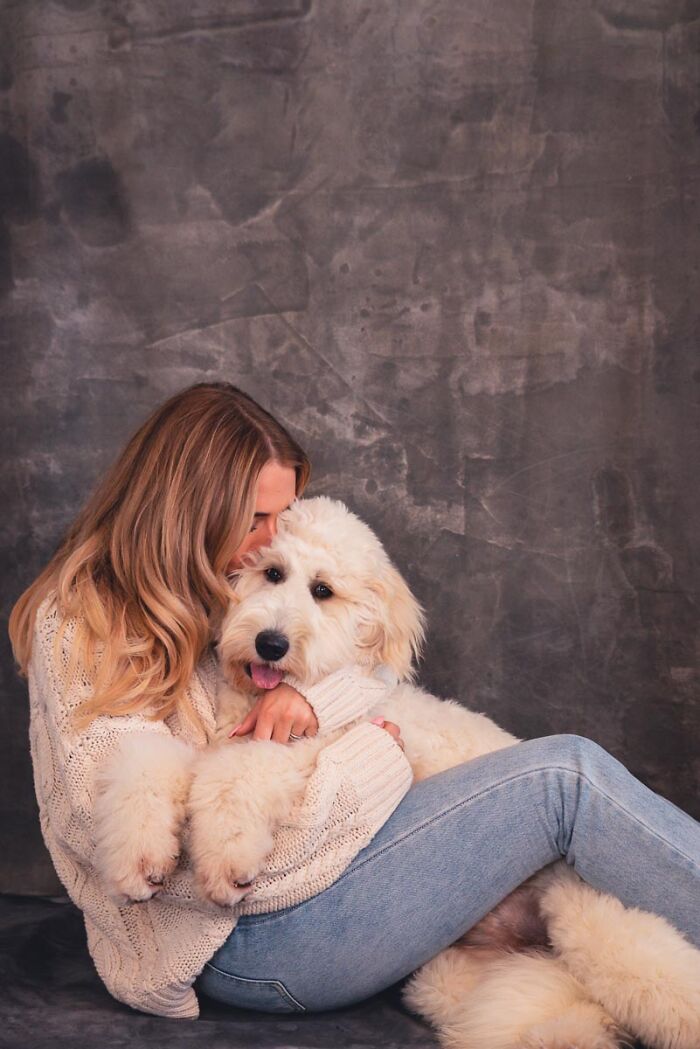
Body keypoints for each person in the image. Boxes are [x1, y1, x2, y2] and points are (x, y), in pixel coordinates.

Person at [9, 382, 700, 1021]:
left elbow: (356, 661)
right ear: (191, 509)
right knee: (565, 777)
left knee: (572, 882)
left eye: (281, 513)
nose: (275, 535)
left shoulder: (217, 597)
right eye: (257, 518)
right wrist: (379, 754)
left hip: (301, 907)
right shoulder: (80, 623)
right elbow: (217, 865)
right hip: (245, 940)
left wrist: (318, 704)